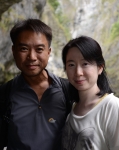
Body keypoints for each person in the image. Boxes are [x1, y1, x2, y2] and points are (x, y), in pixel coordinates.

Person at [0, 18, 74, 150]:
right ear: (13, 51)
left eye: (39, 49)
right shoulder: (4, 95)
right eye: (23, 48)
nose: (32, 57)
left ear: (48, 52)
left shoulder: (69, 90)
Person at [61, 36, 119, 150]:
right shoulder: (72, 109)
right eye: (71, 65)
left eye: (85, 64)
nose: (78, 72)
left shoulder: (111, 106)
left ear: (100, 67)